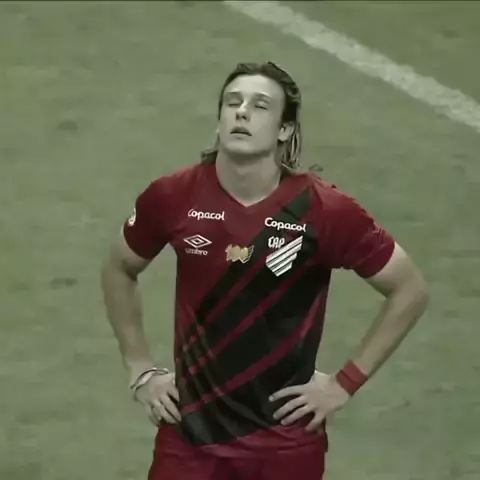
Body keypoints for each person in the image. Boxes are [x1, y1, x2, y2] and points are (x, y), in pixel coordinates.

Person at [101, 61, 429, 480]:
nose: (241, 112)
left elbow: (409, 289)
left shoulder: (323, 210)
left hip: (284, 446)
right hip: (190, 439)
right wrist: (140, 368)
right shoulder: (172, 196)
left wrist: (344, 383)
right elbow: (119, 268)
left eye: (259, 106)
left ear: (284, 130)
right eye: (232, 102)